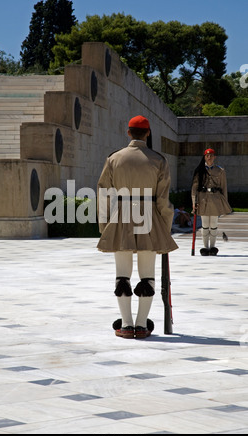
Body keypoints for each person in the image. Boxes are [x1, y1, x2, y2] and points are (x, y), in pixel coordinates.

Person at [97, 115, 178, 339]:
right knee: (147, 276)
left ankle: (125, 324)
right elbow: (163, 200)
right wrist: (165, 228)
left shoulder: (114, 158)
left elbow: (104, 194)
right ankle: (141, 325)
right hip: (149, 217)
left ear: (129, 133)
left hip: (122, 216)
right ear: (148, 133)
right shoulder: (159, 160)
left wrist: (105, 226)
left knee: (122, 275)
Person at [191, 148, 232, 256]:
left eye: (211, 156)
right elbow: (194, 187)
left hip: (215, 199)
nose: (209, 158)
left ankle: (213, 247)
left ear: (214, 157)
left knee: (213, 223)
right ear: (204, 157)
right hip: (202, 199)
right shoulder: (199, 169)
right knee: (205, 224)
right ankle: (205, 247)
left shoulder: (220, 170)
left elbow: (224, 187)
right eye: (207, 156)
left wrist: (225, 203)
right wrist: (193, 201)